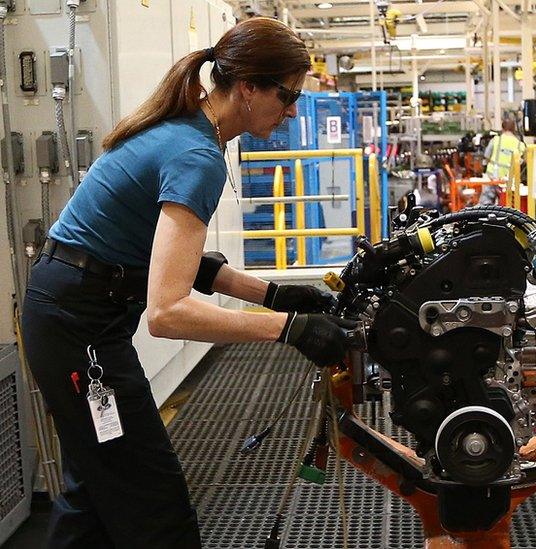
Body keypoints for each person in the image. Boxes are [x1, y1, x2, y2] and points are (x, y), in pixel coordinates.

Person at [20, 18, 347, 549]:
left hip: (70, 312)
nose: (291, 110)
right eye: (286, 95)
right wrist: (289, 329)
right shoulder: (196, 155)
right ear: (247, 88)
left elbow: (176, 260)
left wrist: (276, 295)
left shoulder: (188, 132)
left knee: (95, 493)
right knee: (155, 509)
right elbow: (167, 311)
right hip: (77, 329)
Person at [480, 118, 526, 205]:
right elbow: (522, 163)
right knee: (507, 206)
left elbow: (486, 156)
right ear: (514, 129)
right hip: (509, 181)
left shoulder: (495, 140)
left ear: (502, 128)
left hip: (493, 178)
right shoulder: (520, 145)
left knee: (486, 205)